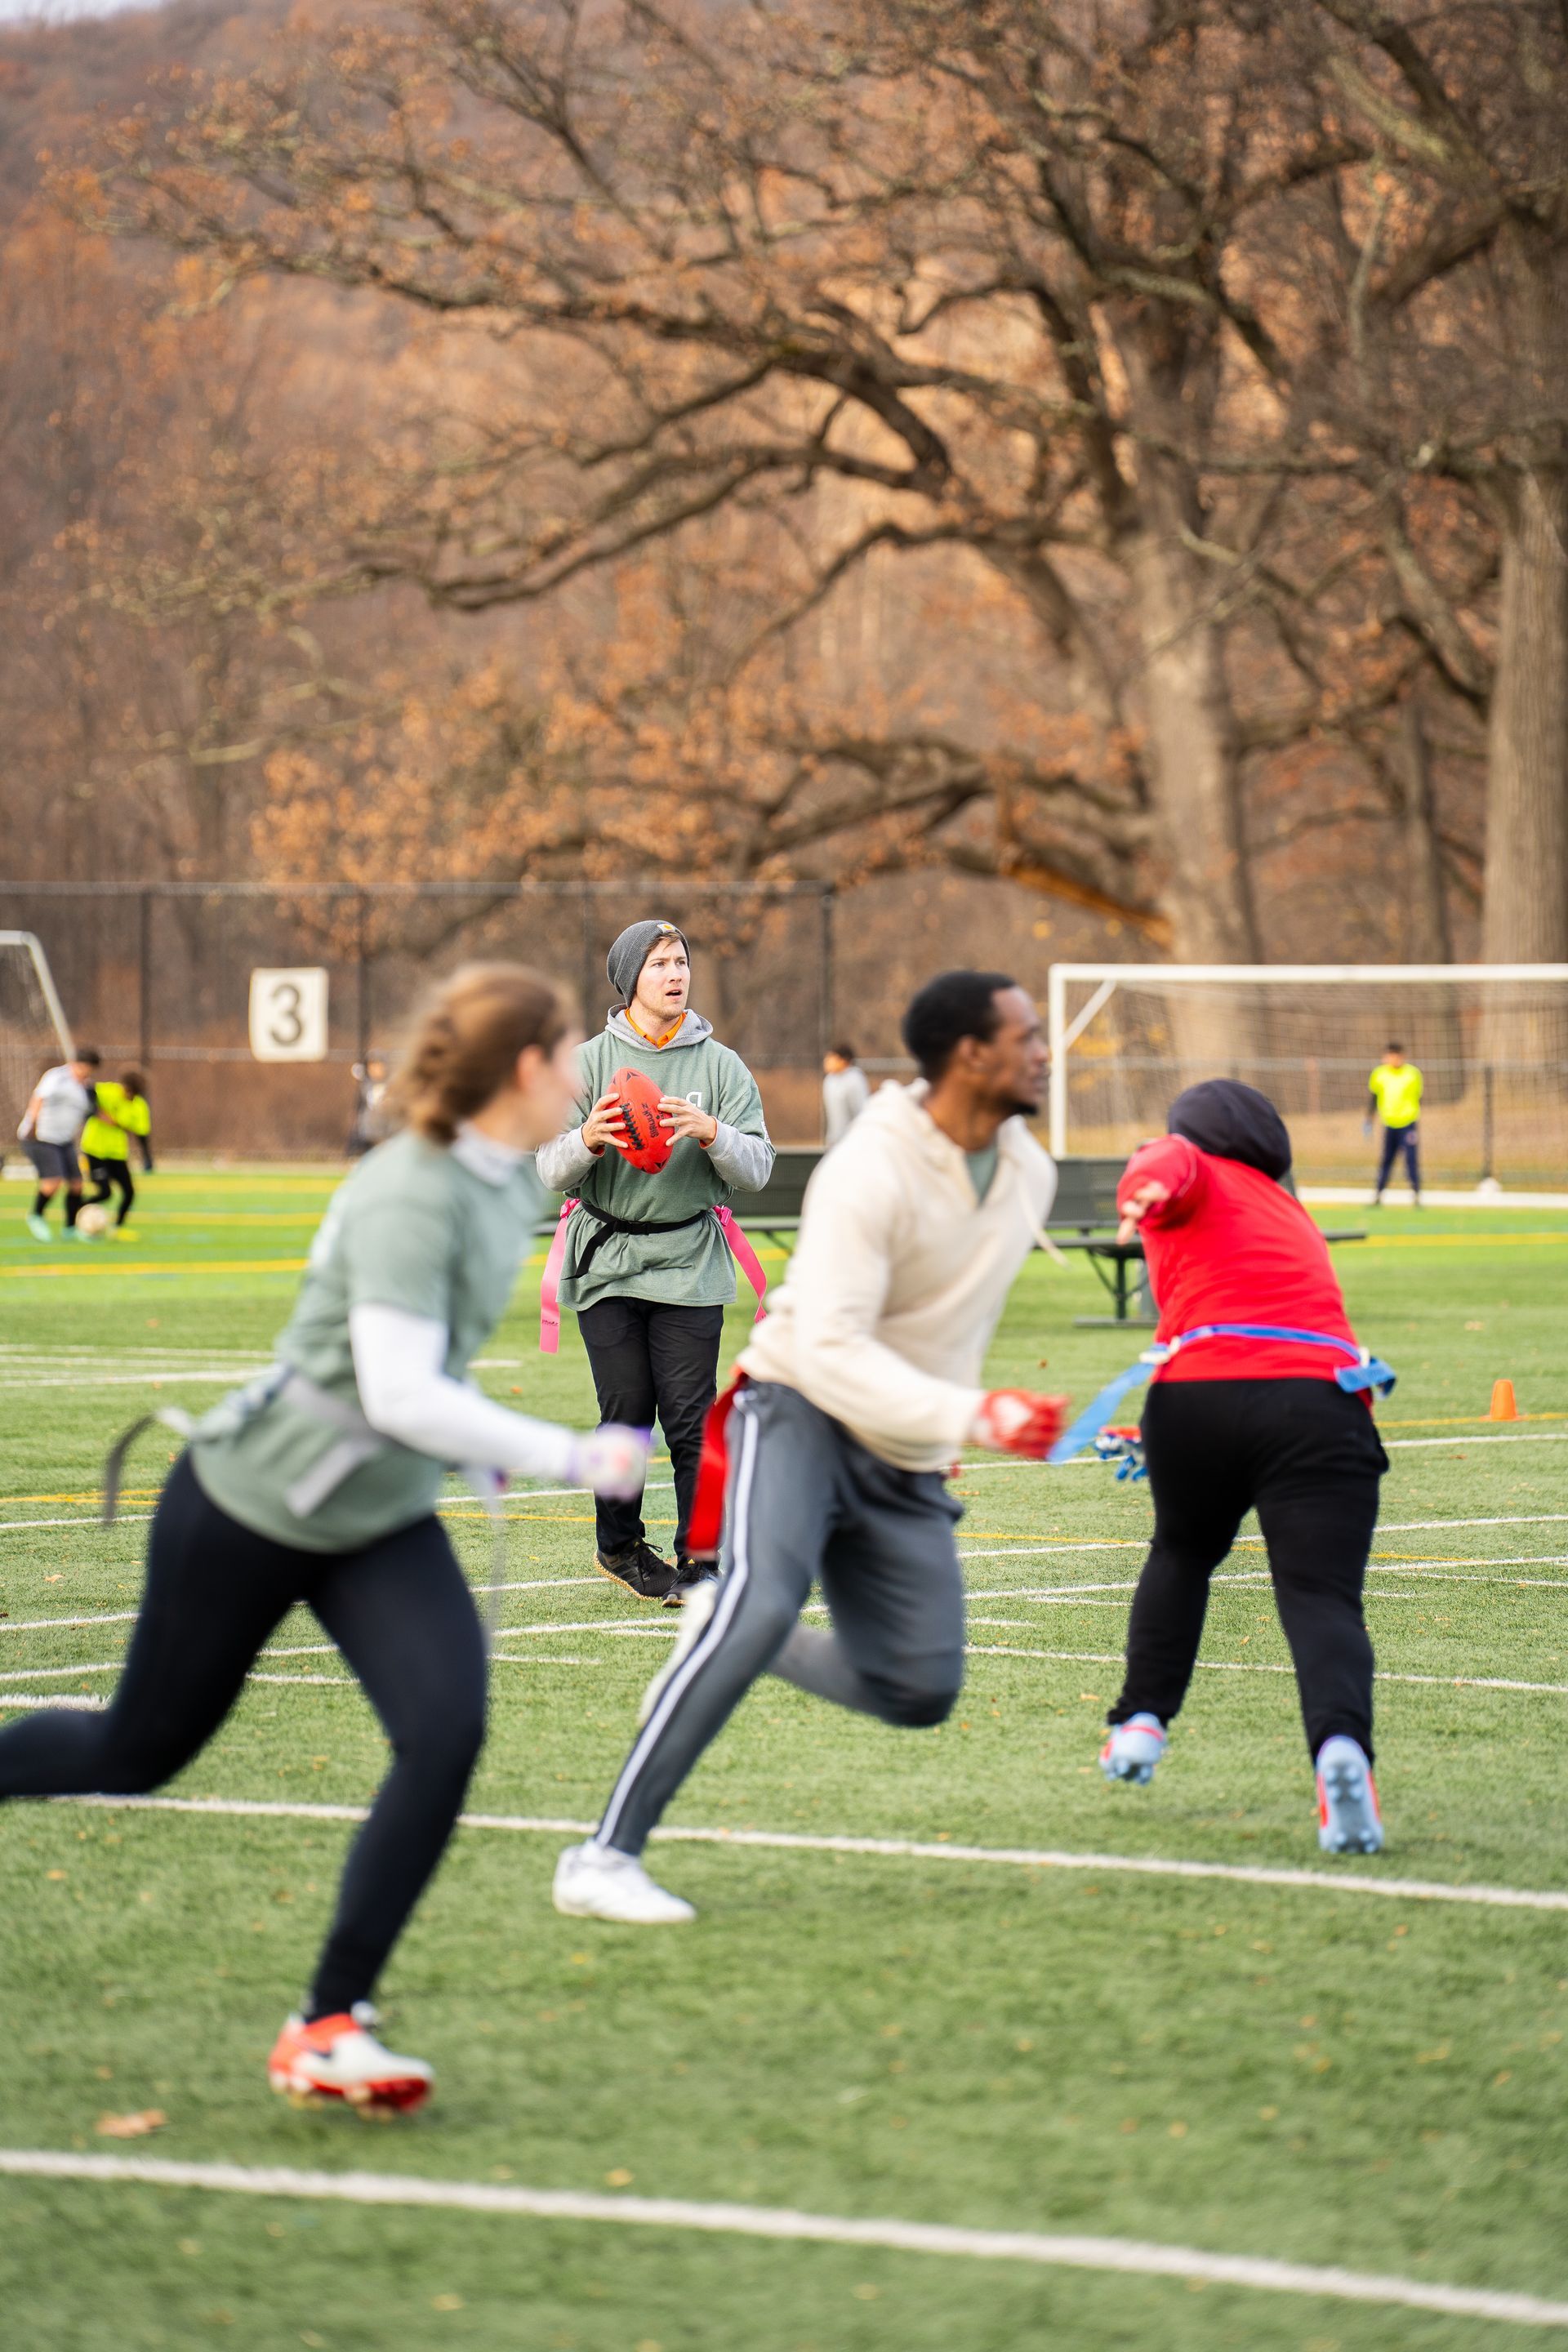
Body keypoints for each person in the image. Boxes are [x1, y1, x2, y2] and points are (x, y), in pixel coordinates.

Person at [0, 964, 649, 2112]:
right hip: (254, 1503)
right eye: (571, 1054)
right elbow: (400, 1392)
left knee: (445, 1730)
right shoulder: (410, 1188)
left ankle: (330, 2020)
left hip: (378, 1515)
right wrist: (575, 1454)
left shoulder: (507, 1180)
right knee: (135, 1753)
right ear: (529, 1069)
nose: (592, 1072)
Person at [552, 969, 1067, 1926]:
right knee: (759, 1597)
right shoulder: (871, 1164)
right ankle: (603, 1855)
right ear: (970, 1056)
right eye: (1026, 1035)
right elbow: (828, 1347)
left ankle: (719, 1624)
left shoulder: (1027, 1168)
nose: (1044, 1050)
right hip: (795, 1409)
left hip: (900, 1449)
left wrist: (943, 1423)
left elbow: (946, 1333)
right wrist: (976, 1415)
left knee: (920, 1686)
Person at [1100, 1079, 1388, 1855]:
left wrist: (1147, 1184)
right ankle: (1341, 1752)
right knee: (1322, 1597)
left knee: (1184, 1552)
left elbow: (1168, 1166)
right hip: (1323, 1397)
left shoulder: (1182, 1163)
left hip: (1197, 1397)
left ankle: (1139, 1724)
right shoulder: (1286, 1205)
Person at [536, 919, 773, 1608]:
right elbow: (547, 1169)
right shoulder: (584, 1066)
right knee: (626, 1412)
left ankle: (703, 1563)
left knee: (693, 1417)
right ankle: (619, 1546)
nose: (676, 974)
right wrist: (584, 1139)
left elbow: (757, 1166)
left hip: (690, 1260)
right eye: (660, 964)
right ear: (629, 979)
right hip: (607, 1261)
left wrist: (715, 1134)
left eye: (682, 961)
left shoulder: (721, 1066)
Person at [18, 1045, 100, 1241]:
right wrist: (33, 1124)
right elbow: (39, 1098)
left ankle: (70, 1229)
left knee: (77, 1185)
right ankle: (36, 1216)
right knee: (53, 1182)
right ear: (77, 1064)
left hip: (64, 1141)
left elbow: (90, 1112)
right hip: (41, 1137)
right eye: (84, 1068)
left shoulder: (87, 1088)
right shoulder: (57, 1077)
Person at [82, 1069, 153, 1232]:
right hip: (94, 1150)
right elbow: (86, 1089)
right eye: (128, 1091)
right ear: (123, 1086)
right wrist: (96, 1110)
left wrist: (147, 1159)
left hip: (117, 1153)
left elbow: (142, 1134)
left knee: (129, 1192)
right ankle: (78, 1209)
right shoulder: (107, 1091)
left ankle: (117, 1228)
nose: (130, 1096)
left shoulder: (139, 1106)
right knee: (105, 1193)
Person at [1366, 1042, 1422, 1205]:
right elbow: (1374, 1097)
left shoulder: (1412, 1074)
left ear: (1401, 1056)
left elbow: (1418, 1097)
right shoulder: (1380, 1074)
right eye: (1389, 1056)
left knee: (1410, 1160)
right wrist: (1369, 1118)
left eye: (1395, 1056)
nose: (1392, 1059)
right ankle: (1378, 1194)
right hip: (1389, 1124)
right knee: (1386, 1160)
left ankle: (1416, 1193)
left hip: (1408, 1124)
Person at [821, 1040, 870, 1147]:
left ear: (843, 1060)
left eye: (831, 1057)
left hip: (853, 1143)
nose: (827, 1061)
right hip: (834, 1142)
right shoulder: (829, 1081)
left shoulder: (855, 1080)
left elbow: (861, 1111)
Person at [348, 1054, 392, 1158]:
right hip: (368, 1130)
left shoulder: (390, 1084)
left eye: (379, 1066)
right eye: (372, 1067)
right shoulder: (366, 1083)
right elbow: (356, 1070)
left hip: (385, 1129)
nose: (376, 1070)